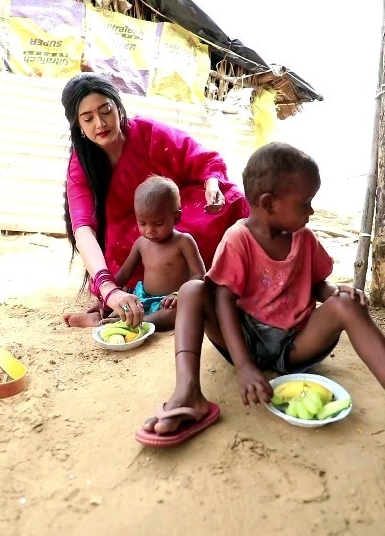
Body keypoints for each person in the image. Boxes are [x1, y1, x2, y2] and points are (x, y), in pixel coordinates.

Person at [136, 142, 385, 447]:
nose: (311, 210)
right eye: (305, 202)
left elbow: (318, 282)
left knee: (347, 304)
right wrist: (243, 365)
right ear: (268, 204)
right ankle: (188, 391)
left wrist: (335, 292)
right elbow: (224, 300)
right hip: (243, 339)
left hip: (295, 344)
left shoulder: (304, 239)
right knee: (192, 289)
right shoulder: (238, 239)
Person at [61, 72, 249, 329]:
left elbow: (202, 159)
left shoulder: (148, 132)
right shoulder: (80, 166)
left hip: (173, 215)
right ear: (78, 125)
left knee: (231, 200)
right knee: (141, 248)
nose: (100, 123)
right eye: (88, 118)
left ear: (118, 106)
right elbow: (83, 229)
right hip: (128, 240)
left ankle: (215, 282)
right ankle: (109, 310)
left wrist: (212, 185)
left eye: (106, 110)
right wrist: (108, 288)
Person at [84, 175, 206, 330]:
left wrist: (178, 294)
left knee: (180, 312)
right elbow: (123, 275)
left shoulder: (183, 242)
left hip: (168, 303)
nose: (149, 231)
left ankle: (140, 322)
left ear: (176, 217)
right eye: (142, 223)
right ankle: (97, 316)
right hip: (141, 298)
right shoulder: (141, 243)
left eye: (158, 223)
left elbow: (199, 275)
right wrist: (105, 297)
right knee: (125, 300)